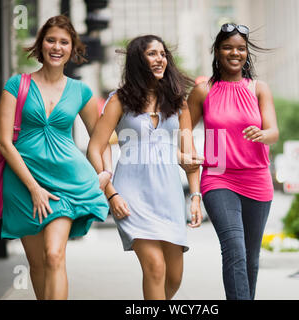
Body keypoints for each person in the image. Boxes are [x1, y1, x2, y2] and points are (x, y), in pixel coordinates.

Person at [0, 15, 111, 300]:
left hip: (64, 183)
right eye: (51, 40)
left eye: (64, 42)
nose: (57, 47)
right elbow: (3, 143)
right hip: (24, 184)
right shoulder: (16, 84)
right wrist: (34, 189)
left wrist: (106, 171)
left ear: (72, 48)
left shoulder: (80, 91)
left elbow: (100, 138)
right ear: (40, 44)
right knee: (37, 265)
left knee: (54, 255)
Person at [87, 35, 203, 300]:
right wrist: (111, 193)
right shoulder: (120, 101)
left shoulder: (177, 101)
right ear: (138, 60)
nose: (160, 59)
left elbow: (189, 155)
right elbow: (95, 147)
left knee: (174, 276)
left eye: (162, 54)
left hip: (169, 196)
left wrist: (195, 196)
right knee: (155, 267)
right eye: (152, 54)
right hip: (130, 196)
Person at [186, 23, 279, 300]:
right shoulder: (204, 91)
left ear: (247, 53)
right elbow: (183, 128)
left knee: (250, 258)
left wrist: (263, 134)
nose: (234, 53)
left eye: (240, 48)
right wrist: (189, 154)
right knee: (234, 250)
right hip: (218, 177)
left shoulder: (258, 89)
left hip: (257, 179)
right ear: (217, 51)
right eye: (228, 47)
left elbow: (274, 131)